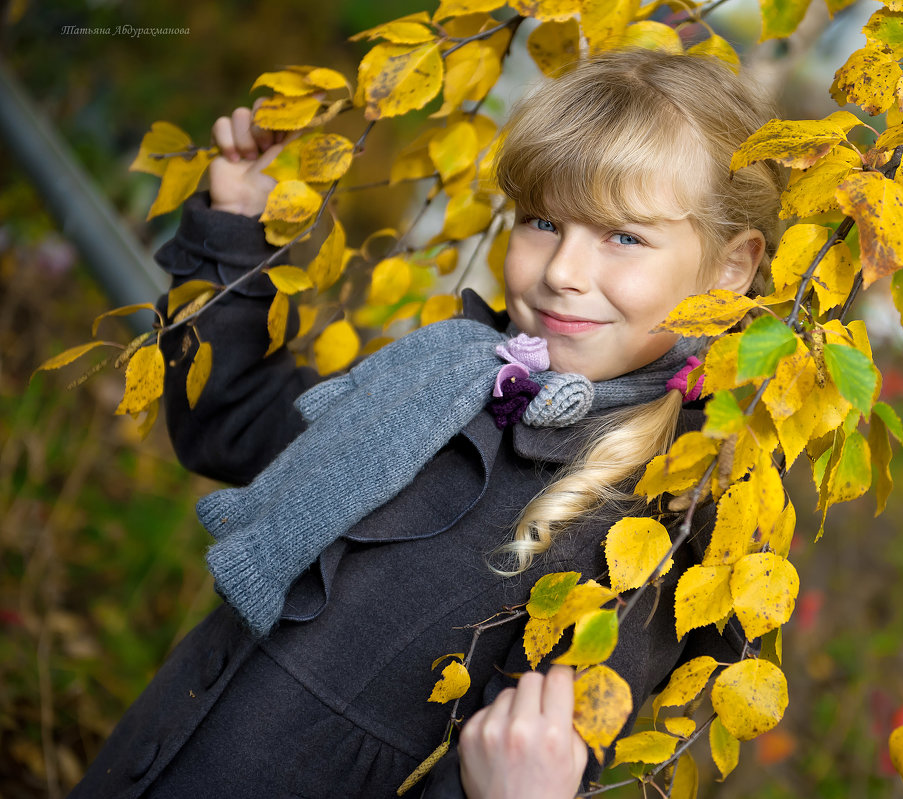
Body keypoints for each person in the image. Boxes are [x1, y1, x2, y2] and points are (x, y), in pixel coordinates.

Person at [68, 48, 785, 798]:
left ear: (731, 267)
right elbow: (235, 420)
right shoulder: (446, 375)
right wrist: (236, 228)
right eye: (543, 220)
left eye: (624, 236)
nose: (561, 270)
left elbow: (520, 759)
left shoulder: (653, 521)